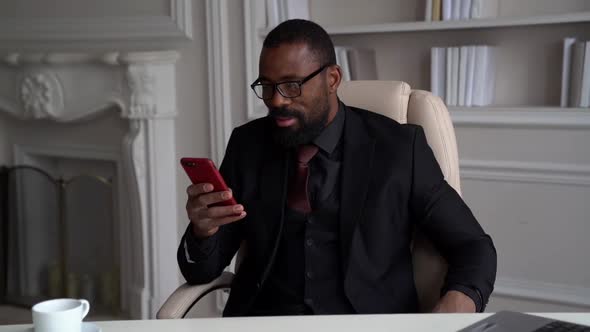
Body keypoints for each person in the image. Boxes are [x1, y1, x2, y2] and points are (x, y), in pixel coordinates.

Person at [178, 19, 496, 317]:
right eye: (267, 86)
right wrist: (202, 231)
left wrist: (454, 307)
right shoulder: (248, 145)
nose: (275, 101)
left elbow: (473, 246)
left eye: (291, 85)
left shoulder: (399, 148)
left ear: (332, 79)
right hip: (266, 320)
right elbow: (201, 271)